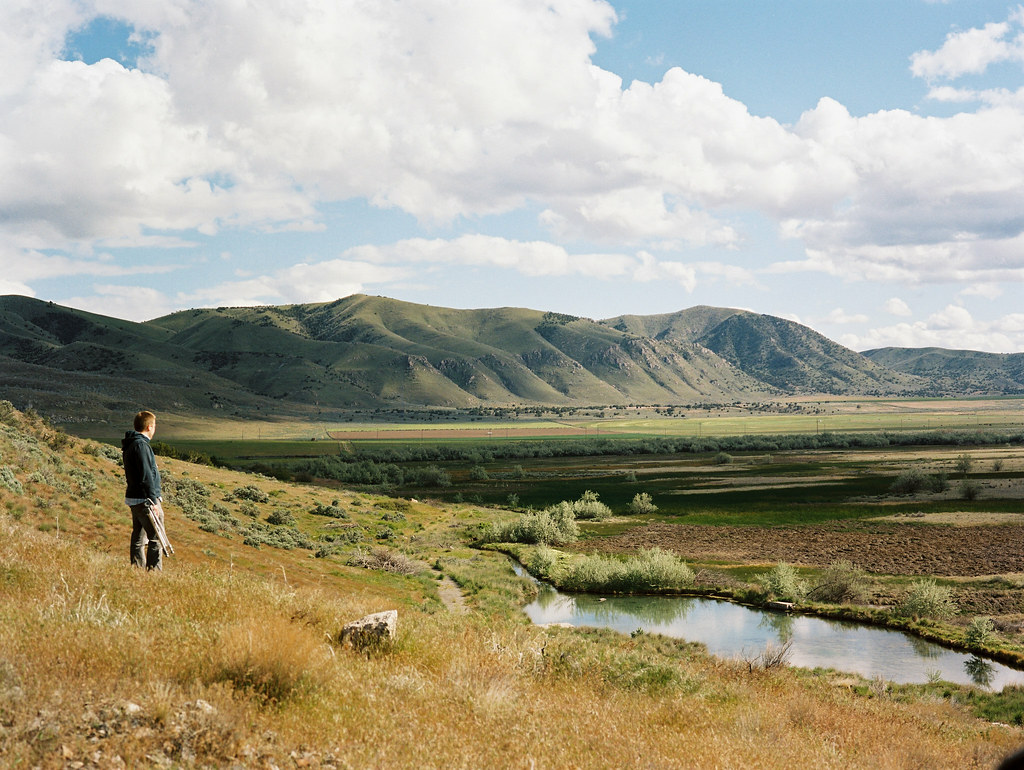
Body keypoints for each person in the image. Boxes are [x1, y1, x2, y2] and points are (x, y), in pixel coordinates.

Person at [122, 410, 164, 570]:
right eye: (154, 426)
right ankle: (154, 573)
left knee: (138, 537)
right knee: (156, 538)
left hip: (134, 497)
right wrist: (153, 500)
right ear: (149, 426)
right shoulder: (141, 445)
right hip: (145, 500)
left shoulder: (131, 443)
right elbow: (146, 475)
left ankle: (137, 570)